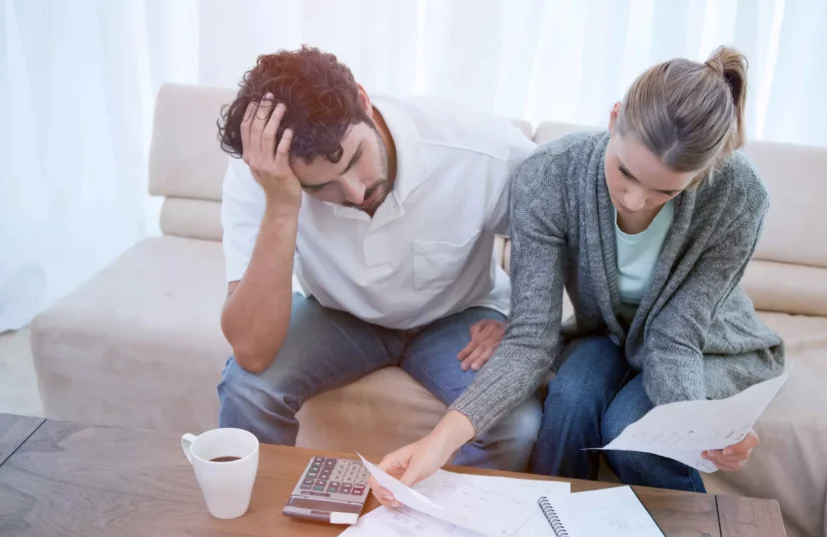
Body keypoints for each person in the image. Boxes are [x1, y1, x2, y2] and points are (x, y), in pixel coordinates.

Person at [370, 46, 785, 505]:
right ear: (613, 118)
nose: (633, 199)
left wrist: (699, 429)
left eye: (663, 191)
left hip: (703, 347)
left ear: (704, 171)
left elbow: (674, 338)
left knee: (631, 430)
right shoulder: (548, 176)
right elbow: (531, 341)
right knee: (569, 401)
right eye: (624, 171)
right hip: (605, 335)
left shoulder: (740, 196)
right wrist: (437, 444)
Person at [215, 46, 541, 472]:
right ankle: (260, 534)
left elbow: (564, 238)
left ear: (365, 101)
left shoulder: (482, 149)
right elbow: (253, 352)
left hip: (458, 315)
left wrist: (522, 322)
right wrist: (281, 205)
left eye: (354, 159)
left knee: (514, 424)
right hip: (338, 315)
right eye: (321, 187)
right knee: (247, 389)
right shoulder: (261, 173)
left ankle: (450, 534)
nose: (354, 192)